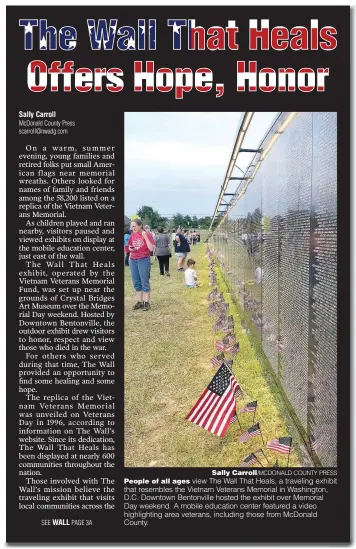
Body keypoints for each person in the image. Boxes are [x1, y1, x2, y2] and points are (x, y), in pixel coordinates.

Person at [128, 219, 155, 311]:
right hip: (133, 260)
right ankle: (139, 302)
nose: (132, 228)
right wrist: (131, 249)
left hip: (143, 260)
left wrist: (145, 237)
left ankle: (146, 303)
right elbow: (129, 246)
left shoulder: (148, 234)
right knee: (136, 282)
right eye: (131, 226)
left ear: (140, 225)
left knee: (144, 280)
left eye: (134, 226)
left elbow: (151, 249)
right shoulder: (132, 234)